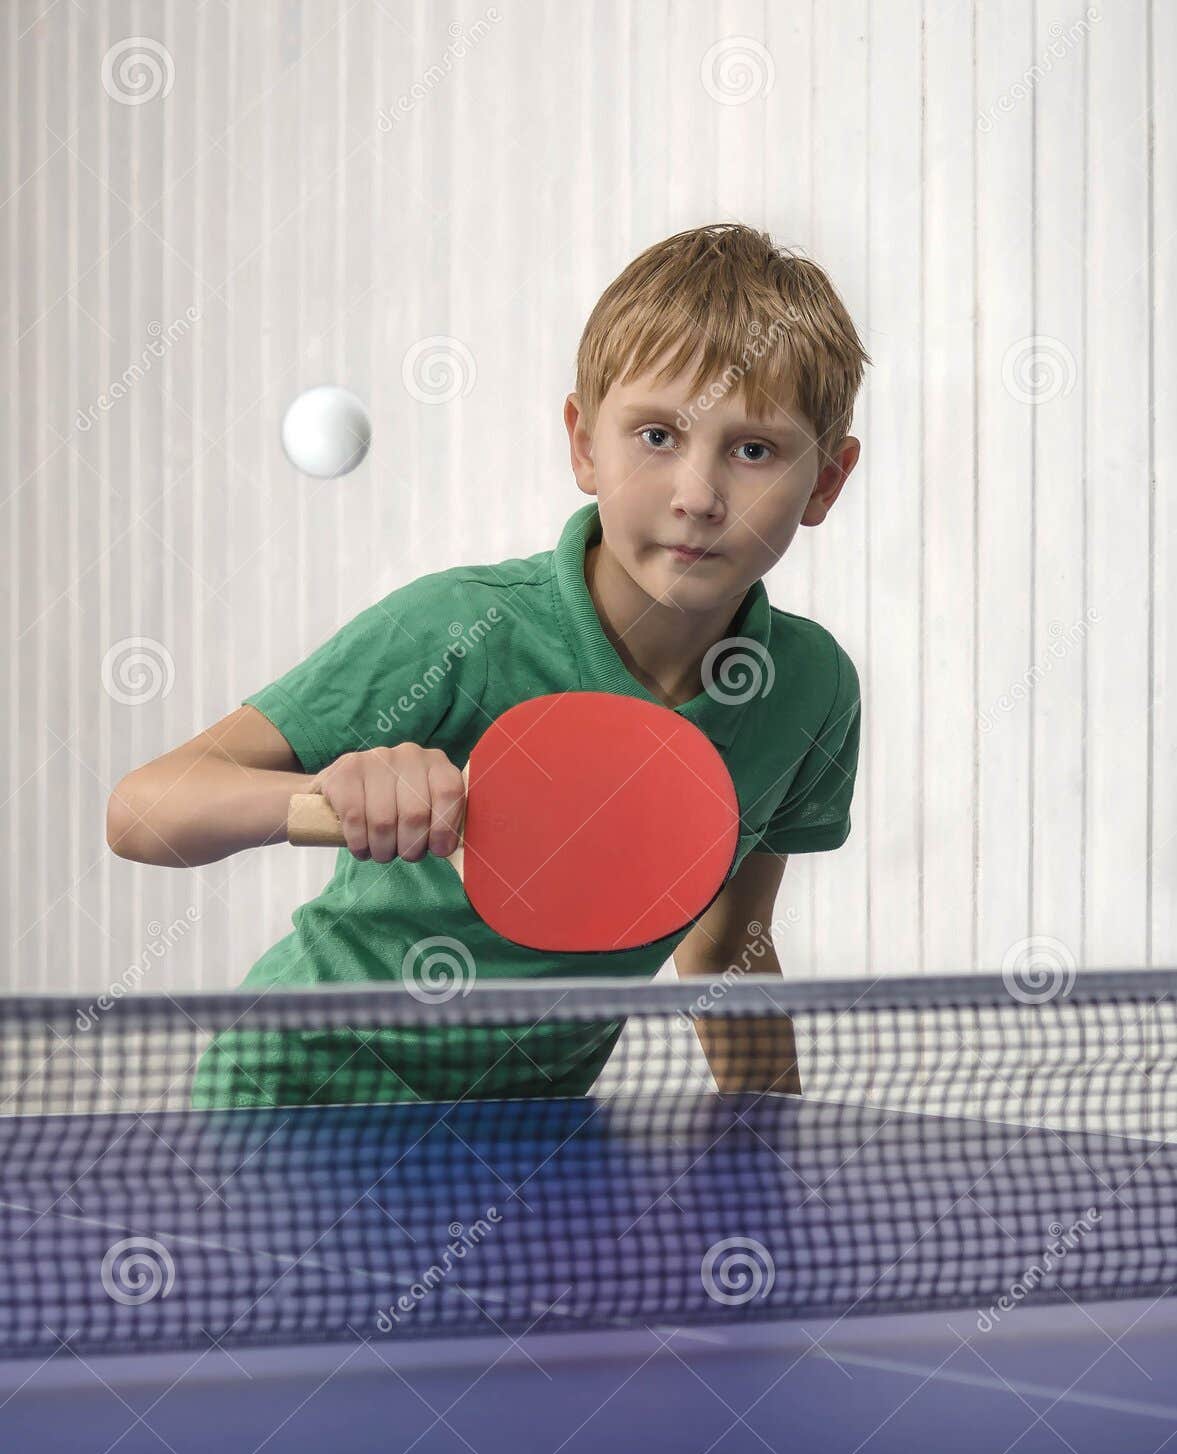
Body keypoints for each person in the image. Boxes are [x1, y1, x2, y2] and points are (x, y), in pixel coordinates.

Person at [107, 224, 868, 1107]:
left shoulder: (808, 689)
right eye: (657, 435)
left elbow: (725, 945)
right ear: (584, 444)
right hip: (299, 1106)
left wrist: (766, 1163)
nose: (696, 496)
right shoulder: (461, 628)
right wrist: (326, 795)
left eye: (752, 451)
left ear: (824, 483)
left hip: (529, 1138)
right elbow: (143, 810)